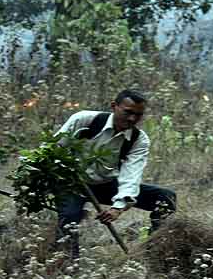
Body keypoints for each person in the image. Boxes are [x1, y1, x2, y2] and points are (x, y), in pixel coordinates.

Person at [54, 89, 176, 256]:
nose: (132, 119)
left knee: (165, 198)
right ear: (114, 106)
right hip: (72, 183)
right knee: (69, 217)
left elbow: (131, 175)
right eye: (128, 112)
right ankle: (66, 260)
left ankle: (154, 252)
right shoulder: (84, 120)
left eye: (138, 115)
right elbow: (54, 149)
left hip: (104, 184)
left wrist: (118, 207)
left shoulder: (139, 140)